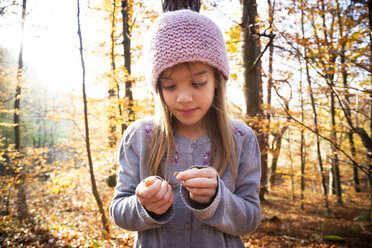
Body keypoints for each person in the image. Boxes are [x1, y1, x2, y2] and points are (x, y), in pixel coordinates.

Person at [109, 7, 261, 248]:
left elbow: (251, 219)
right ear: (158, 88)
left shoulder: (242, 138)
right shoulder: (138, 137)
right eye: (170, 86)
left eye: (198, 83)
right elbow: (118, 211)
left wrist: (217, 200)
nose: (184, 98)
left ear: (217, 81)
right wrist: (143, 205)